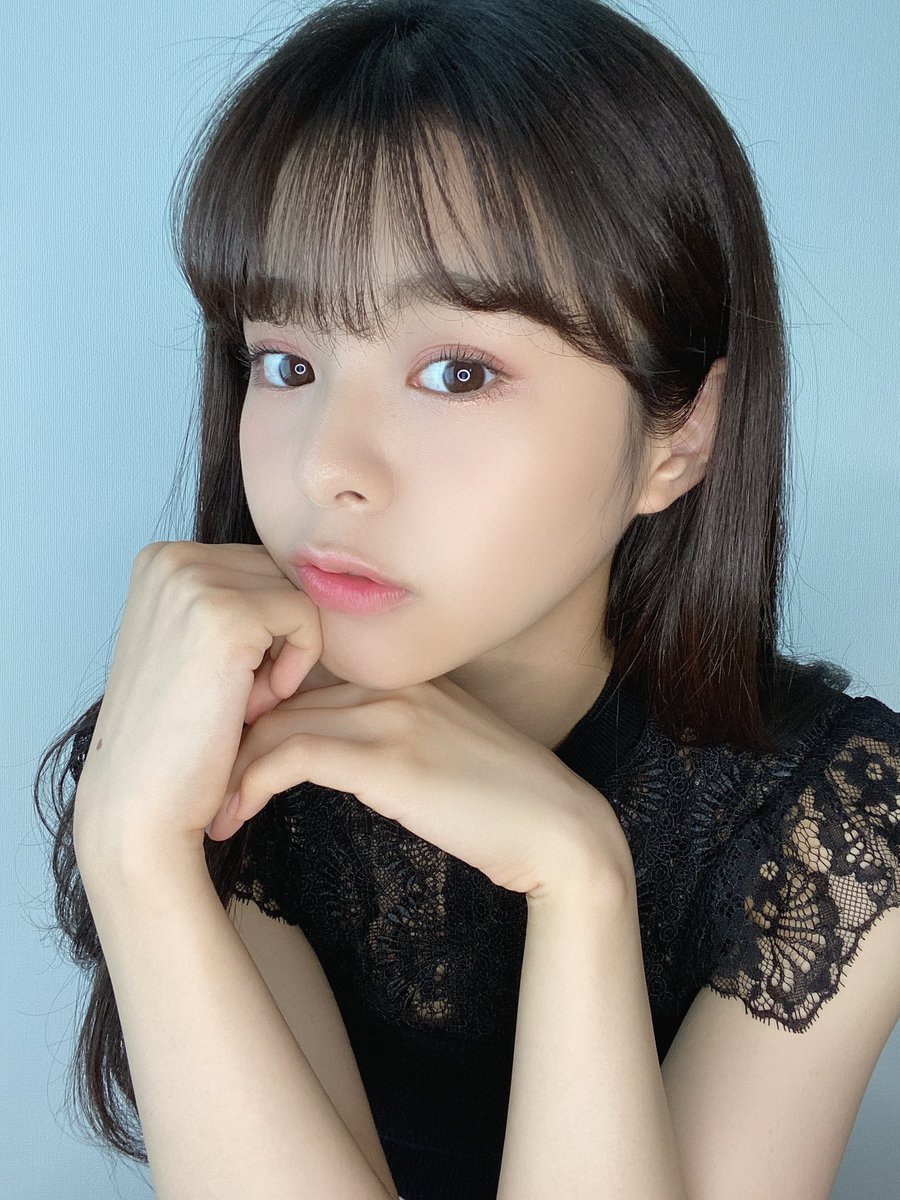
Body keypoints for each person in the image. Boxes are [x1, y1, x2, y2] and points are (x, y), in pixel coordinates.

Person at [33, 1, 899, 1198]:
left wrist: (579, 880)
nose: (328, 466)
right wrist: (134, 853)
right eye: (285, 361)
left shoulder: (835, 818)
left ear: (681, 433)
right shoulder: (204, 742)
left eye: (457, 372)